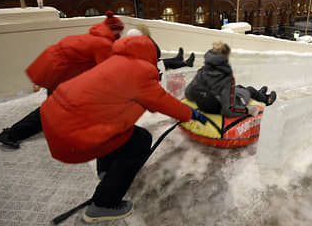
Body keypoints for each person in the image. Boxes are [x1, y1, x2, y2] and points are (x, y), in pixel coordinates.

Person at [39, 26, 206, 223]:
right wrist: (190, 114)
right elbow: (162, 101)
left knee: (118, 131)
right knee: (139, 141)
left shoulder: (115, 59)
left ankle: (107, 171)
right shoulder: (139, 70)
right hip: (72, 129)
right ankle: (104, 204)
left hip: (57, 116)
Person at [0, 11, 124, 149]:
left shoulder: (91, 37)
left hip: (55, 72)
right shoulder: (102, 43)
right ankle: (12, 134)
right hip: (63, 77)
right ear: (115, 31)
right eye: (119, 32)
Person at [185, 41, 276, 118]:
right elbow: (228, 110)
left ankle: (259, 93)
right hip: (218, 107)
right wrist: (247, 110)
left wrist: (203, 96)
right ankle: (266, 99)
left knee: (239, 87)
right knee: (249, 90)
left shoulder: (202, 72)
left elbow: (188, 93)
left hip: (206, 105)